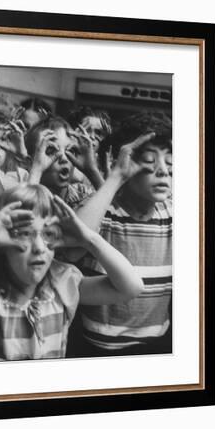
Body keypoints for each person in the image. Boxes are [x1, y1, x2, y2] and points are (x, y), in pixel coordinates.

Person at [0, 184, 143, 361]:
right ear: (2, 242)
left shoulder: (62, 284)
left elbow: (131, 288)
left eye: (49, 234)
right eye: (25, 234)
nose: (40, 247)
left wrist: (88, 239)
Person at [73, 111, 173, 356]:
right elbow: (73, 245)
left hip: (158, 348)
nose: (163, 171)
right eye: (150, 161)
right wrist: (116, 177)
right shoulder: (101, 212)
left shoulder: (173, 214)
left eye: (170, 163)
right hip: (96, 349)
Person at [26, 116, 103, 208]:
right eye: (51, 151)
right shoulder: (19, 192)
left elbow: (114, 213)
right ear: (30, 163)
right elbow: (25, 215)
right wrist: (36, 172)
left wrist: (92, 171)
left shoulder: (83, 193)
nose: (64, 158)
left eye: (71, 150)